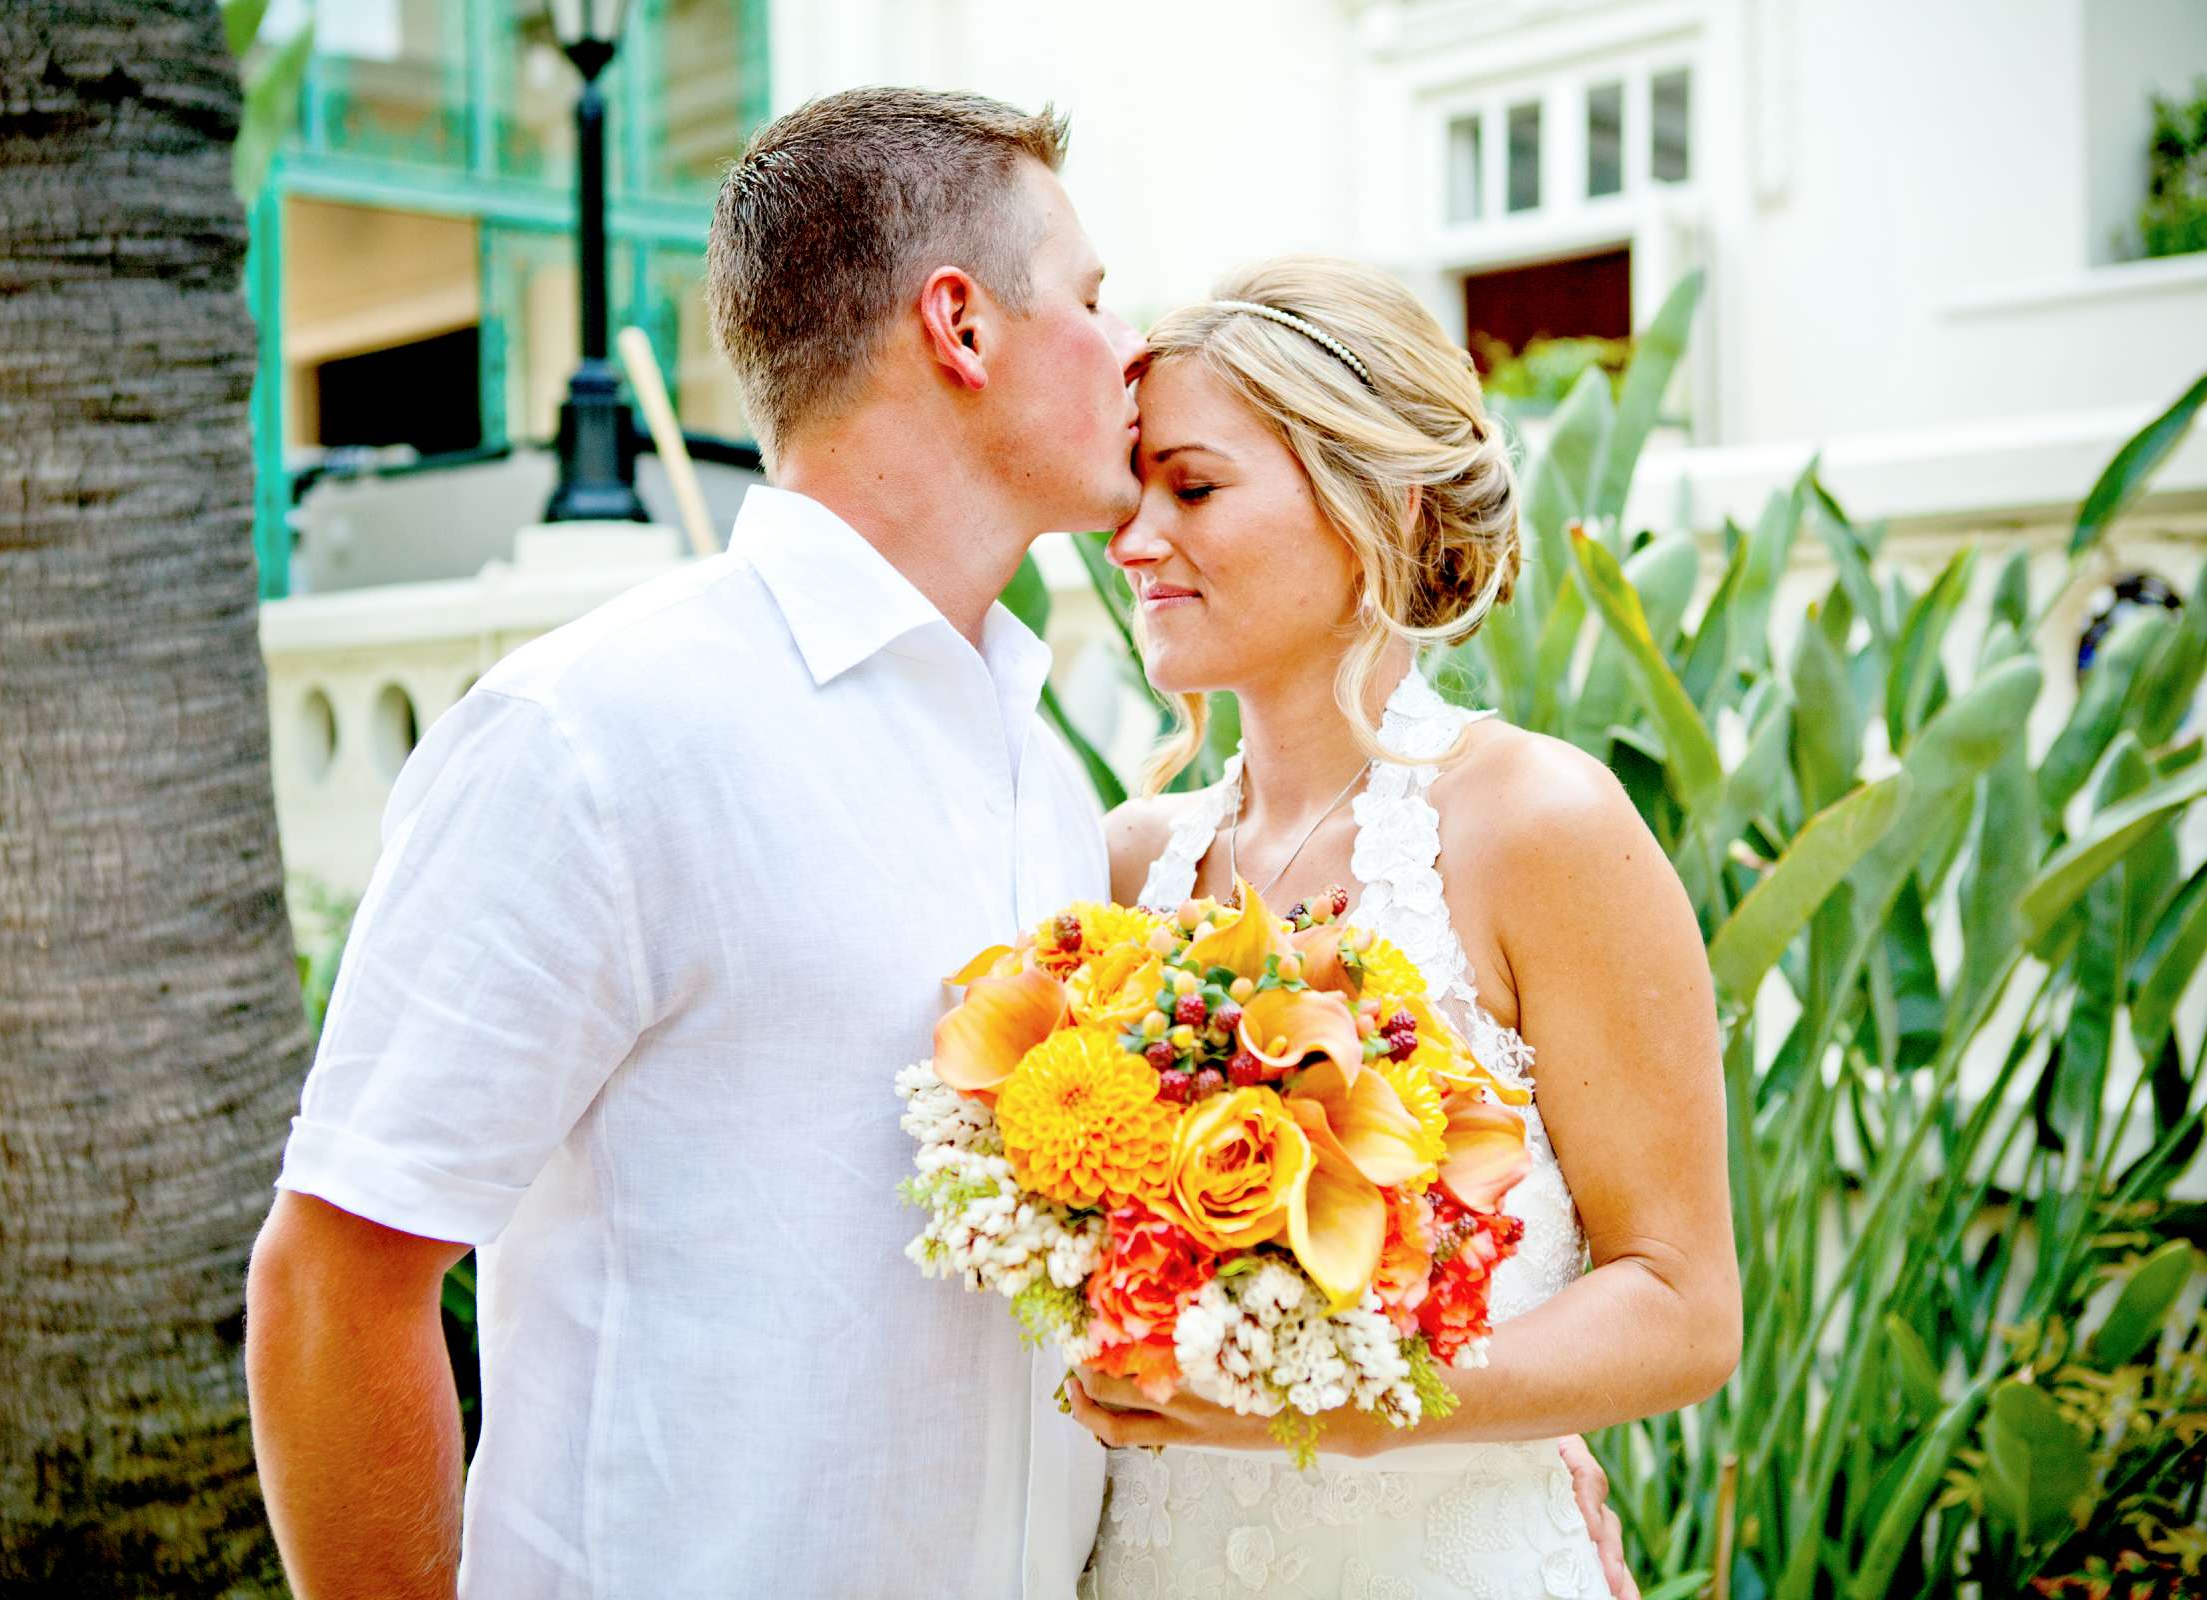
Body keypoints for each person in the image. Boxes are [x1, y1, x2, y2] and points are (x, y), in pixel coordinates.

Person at [244, 86, 1636, 1597]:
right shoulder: (596, 735)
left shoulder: (1049, 786)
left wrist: (1469, 1447)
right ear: (961, 328)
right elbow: (336, 1283)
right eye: (1096, 300)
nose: (1134, 352)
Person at [1065, 257, 1740, 1599]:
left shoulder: (1539, 825)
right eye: (1133, 489)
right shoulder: (1125, 867)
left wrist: (1358, 1403)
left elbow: (1681, 1304)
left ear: (1383, 503)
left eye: (1192, 487)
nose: (1132, 539)